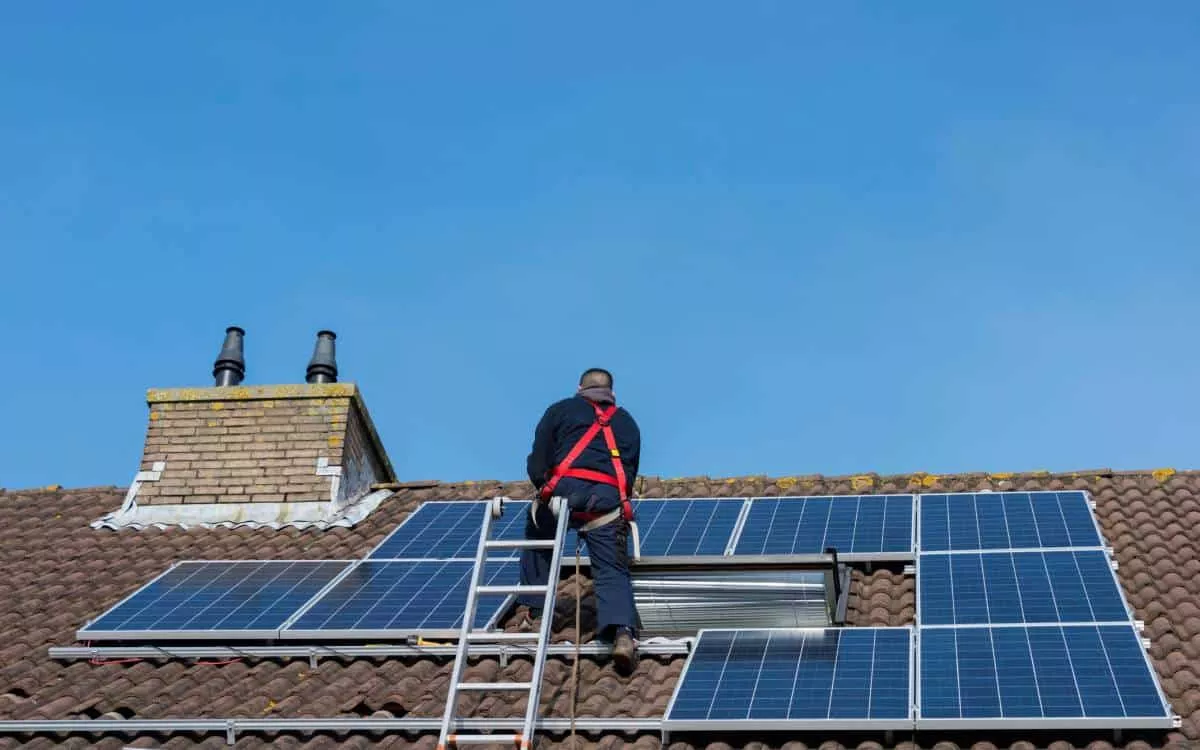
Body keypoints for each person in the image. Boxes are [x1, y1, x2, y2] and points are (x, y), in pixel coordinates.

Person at [518, 367, 641, 674]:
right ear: (611, 393)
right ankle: (622, 632)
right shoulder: (627, 422)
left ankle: (534, 610)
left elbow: (538, 460)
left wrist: (544, 487)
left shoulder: (560, 410)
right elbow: (628, 473)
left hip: (563, 494)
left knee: (538, 532)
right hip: (607, 501)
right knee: (612, 566)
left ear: (579, 388)